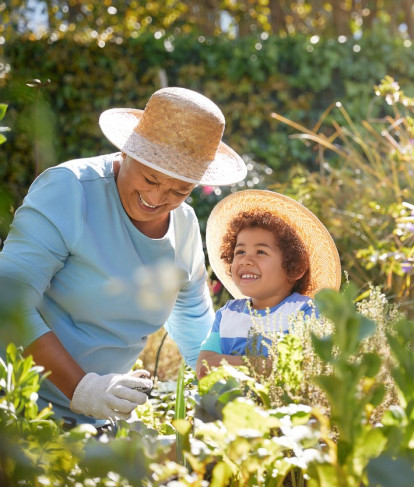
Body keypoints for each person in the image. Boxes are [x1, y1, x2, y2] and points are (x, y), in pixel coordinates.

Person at [0, 87, 247, 427]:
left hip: (99, 418)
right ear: (128, 150)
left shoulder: (185, 224)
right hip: (17, 407)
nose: (157, 198)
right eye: (150, 178)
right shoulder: (70, 191)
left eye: (180, 190)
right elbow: (8, 301)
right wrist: (84, 389)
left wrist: (225, 391)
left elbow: (192, 320)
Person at [196, 189, 341, 379]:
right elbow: (204, 367)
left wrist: (227, 363)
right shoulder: (227, 314)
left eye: (261, 252)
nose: (246, 260)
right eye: (239, 252)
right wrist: (264, 364)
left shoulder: (305, 312)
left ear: (294, 267)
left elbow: (304, 368)